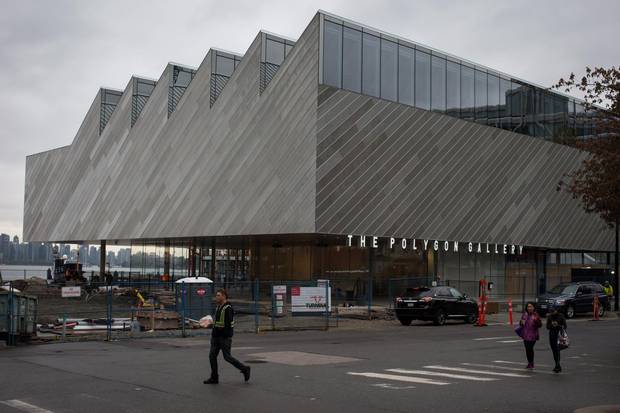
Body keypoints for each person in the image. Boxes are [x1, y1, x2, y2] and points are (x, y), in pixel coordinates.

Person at [204, 288, 251, 384]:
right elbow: (217, 322)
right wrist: (209, 324)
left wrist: (214, 326)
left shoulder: (228, 308)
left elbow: (227, 324)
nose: (216, 297)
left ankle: (245, 368)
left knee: (227, 357)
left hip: (224, 338)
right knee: (212, 356)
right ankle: (214, 377)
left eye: (218, 295)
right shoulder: (218, 307)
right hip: (216, 336)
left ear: (224, 296)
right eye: (216, 295)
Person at [519, 301, 542, 369]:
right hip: (525, 334)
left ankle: (531, 363)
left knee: (530, 348)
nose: (529, 308)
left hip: (533, 335)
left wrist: (536, 321)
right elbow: (521, 324)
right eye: (528, 306)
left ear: (534, 307)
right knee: (527, 349)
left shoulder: (536, 315)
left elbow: (540, 325)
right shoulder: (525, 314)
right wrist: (521, 322)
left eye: (531, 306)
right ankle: (529, 363)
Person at [546, 304, 567, 373]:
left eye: (553, 311)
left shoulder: (561, 316)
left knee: (557, 350)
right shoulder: (550, 316)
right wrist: (552, 325)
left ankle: (557, 365)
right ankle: (557, 365)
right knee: (554, 351)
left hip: (559, 335)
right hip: (552, 335)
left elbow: (565, 326)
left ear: (556, 310)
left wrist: (558, 325)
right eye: (551, 311)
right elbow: (547, 326)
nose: (552, 312)